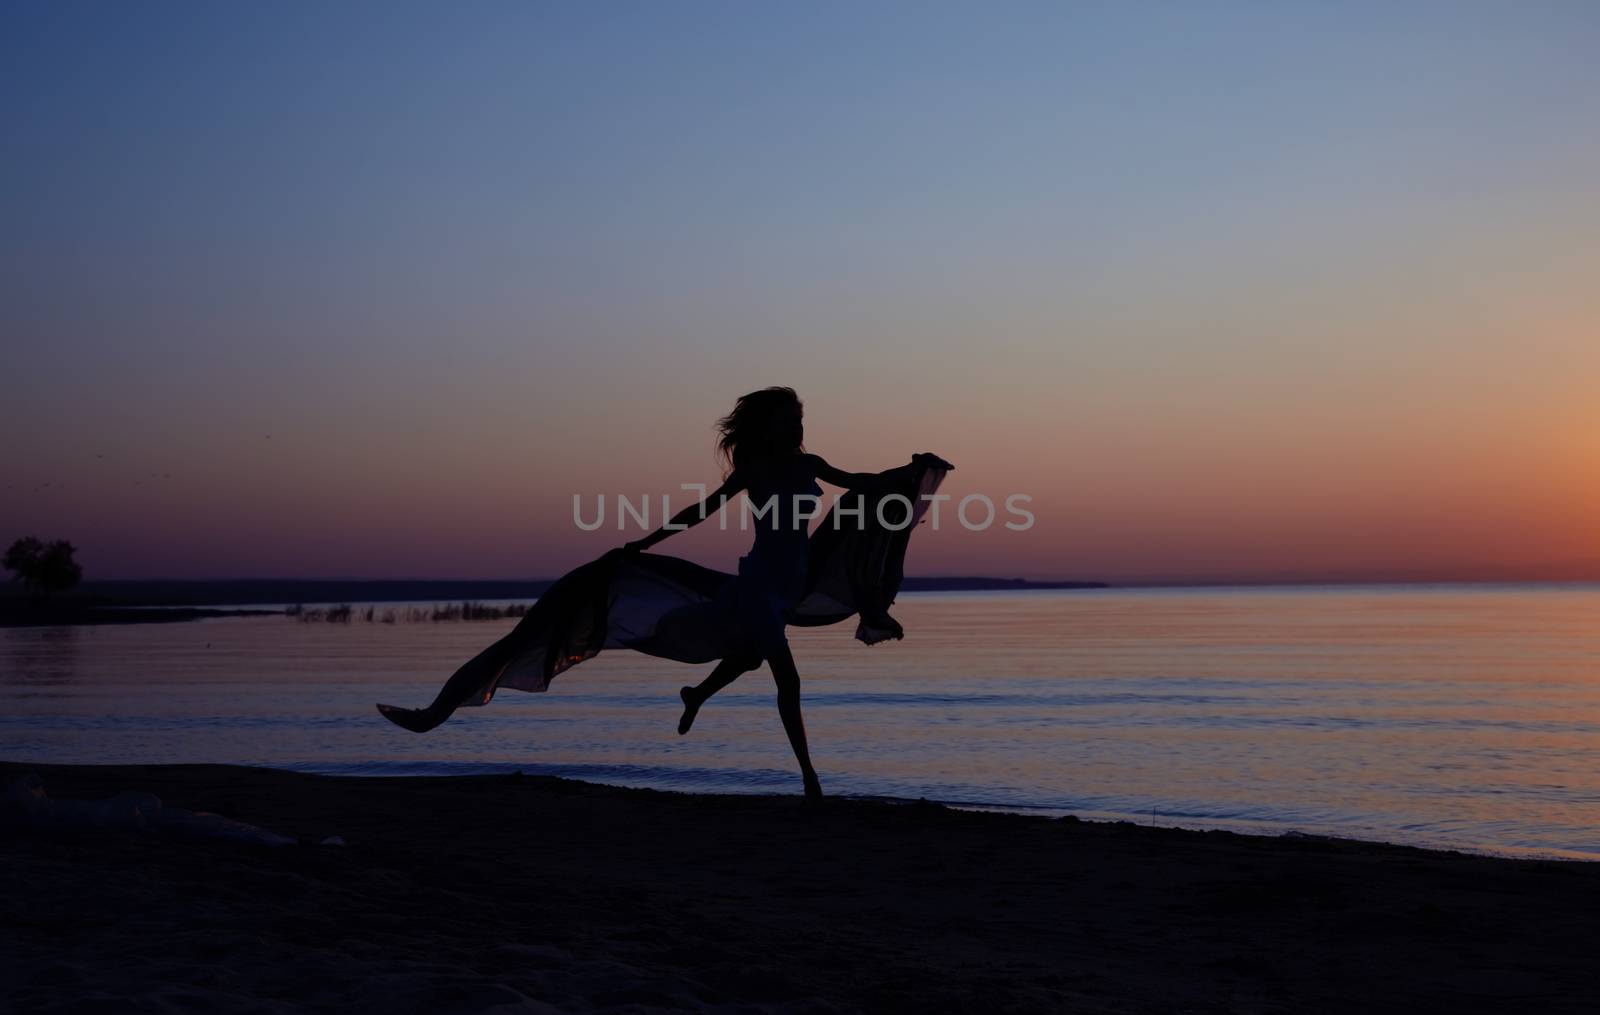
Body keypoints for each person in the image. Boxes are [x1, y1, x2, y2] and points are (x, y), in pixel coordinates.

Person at [622, 387, 894, 801]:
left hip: (791, 585)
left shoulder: (810, 464)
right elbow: (701, 510)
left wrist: (906, 478)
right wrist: (647, 541)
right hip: (761, 582)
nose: (796, 427)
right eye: (787, 420)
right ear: (767, 427)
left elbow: (858, 483)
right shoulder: (753, 471)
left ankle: (695, 695)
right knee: (789, 679)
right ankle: (810, 779)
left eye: (799, 421)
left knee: (748, 656)